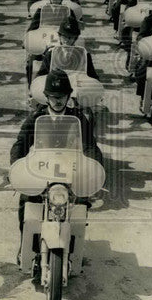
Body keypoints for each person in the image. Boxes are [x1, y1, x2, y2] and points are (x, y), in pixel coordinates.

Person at [9, 69, 104, 244]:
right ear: (46, 97)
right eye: (53, 96)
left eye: (62, 96)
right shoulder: (36, 117)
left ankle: (74, 243)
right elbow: (20, 144)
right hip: (42, 167)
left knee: (81, 201)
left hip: (70, 168)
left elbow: (90, 146)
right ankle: (26, 243)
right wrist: (16, 168)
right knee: (27, 200)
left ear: (69, 97)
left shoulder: (79, 117)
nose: (58, 100)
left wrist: (94, 169)